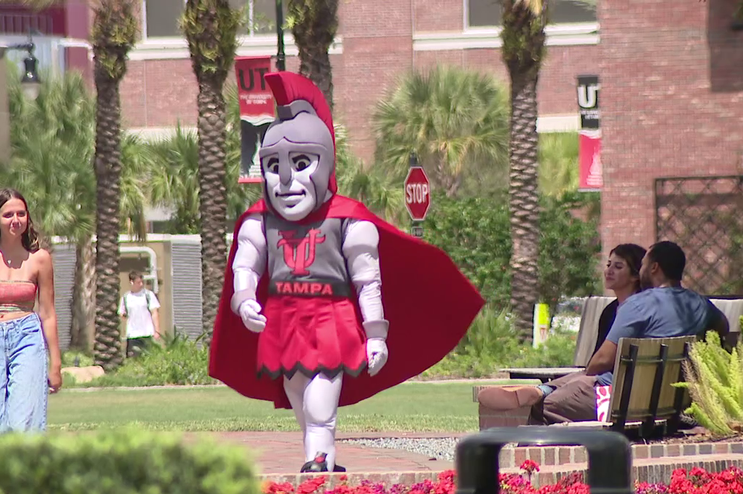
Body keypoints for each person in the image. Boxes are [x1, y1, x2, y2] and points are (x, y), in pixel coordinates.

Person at [208, 71, 484, 473]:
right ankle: (319, 457)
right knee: (298, 396)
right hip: (282, 319)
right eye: (273, 164)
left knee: (320, 402)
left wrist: (376, 335)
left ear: (324, 164)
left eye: (300, 163)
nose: (285, 180)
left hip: (329, 317)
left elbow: (367, 281)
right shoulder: (258, 220)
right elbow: (245, 264)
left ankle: (319, 460)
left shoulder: (350, 219)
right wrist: (244, 298)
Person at [479, 240, 729, 424]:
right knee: (575, 382)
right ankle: (544, 389)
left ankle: (537, 466)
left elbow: (602, 360)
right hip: (671, 401)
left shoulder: (638, 305)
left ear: (654, 268)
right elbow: (723, 329)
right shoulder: (700, 304)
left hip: (621, 401)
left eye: (643, 265)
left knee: (544, 406)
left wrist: (586, 376)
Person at [0, 188, 62, 433]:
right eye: (8, 215)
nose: (16, 220)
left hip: (27, 337)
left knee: (23, 423)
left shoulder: (40, 259)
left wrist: (56, 363)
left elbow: (48, 313)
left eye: (21, 214)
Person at [593, 243, 648, 356]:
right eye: (608, 265)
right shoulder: (609, 311)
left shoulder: (643, 309)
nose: (609, 271)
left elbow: (603, 359)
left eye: (618, 267)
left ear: (636, 275)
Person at [119, 270, 161, 358]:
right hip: (132, 335)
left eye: (142, 282)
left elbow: (154, 312)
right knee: (133, 359)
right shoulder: (126, 297)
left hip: (147, 333)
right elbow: (122, 313)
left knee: (148, 358)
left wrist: (157, 331)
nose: (141, 284)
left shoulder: (148, 295)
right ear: (131, 282)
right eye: (138, 282)